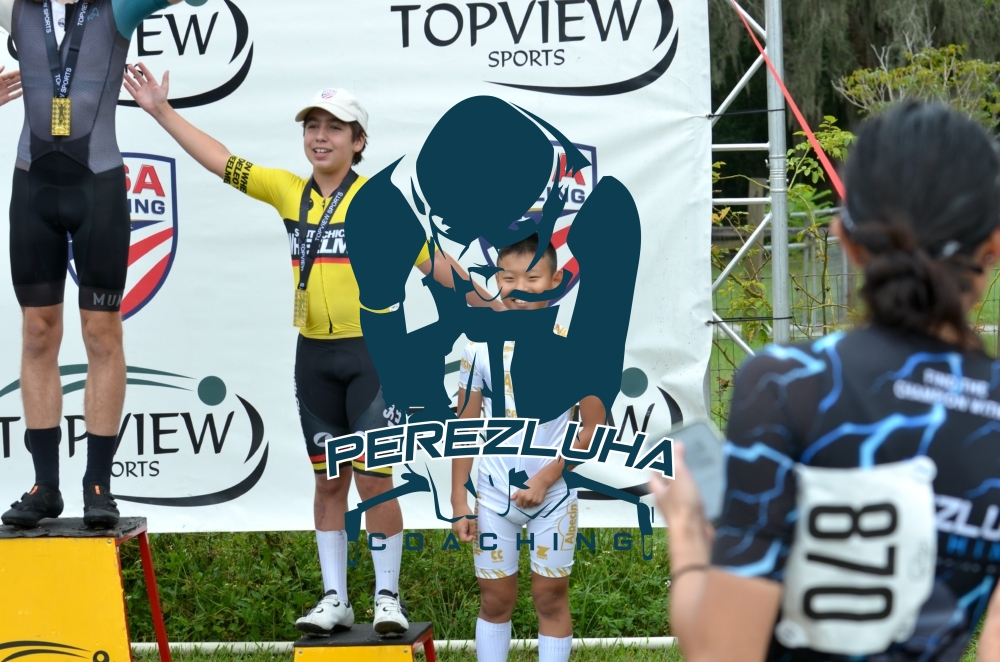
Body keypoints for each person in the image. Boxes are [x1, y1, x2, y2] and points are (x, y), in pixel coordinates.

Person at [123, 64, 504, 636]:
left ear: (359, 142)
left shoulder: (383, 201)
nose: (320, 137)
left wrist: (491, 299)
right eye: (312, 126)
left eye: (335, 128)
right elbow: (221, 160)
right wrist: (160, 110)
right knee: (329, 482)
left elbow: (435, 265)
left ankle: (388, 598)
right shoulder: (286, 190)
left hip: (373, 356)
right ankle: (335, 599)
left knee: (373, 480)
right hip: (315, 358)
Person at [652, 101, 1000, 662]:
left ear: (846, 238)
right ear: (995, 244)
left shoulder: (788, 385)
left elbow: (723, 653)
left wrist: (688, 529)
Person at [0, 0, 193, 530]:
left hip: (97, 186)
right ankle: (44, 487)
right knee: (37, 332)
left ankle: (99, 486)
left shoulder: (117, 7)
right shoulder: (18, 8)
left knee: (102, 333)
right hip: (33, 185)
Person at [451, 234, 605, 662]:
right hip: (492, 496)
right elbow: (465, 427)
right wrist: (459, 499)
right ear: (496, 280)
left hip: (553, 497)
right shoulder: (477, 347)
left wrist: (546, 478)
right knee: (494, 600)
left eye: (533, 278)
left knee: (550, 598)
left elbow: (595, 428)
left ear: (555, 281)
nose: (520, 287)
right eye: (508, 277)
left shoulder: (576, 345)